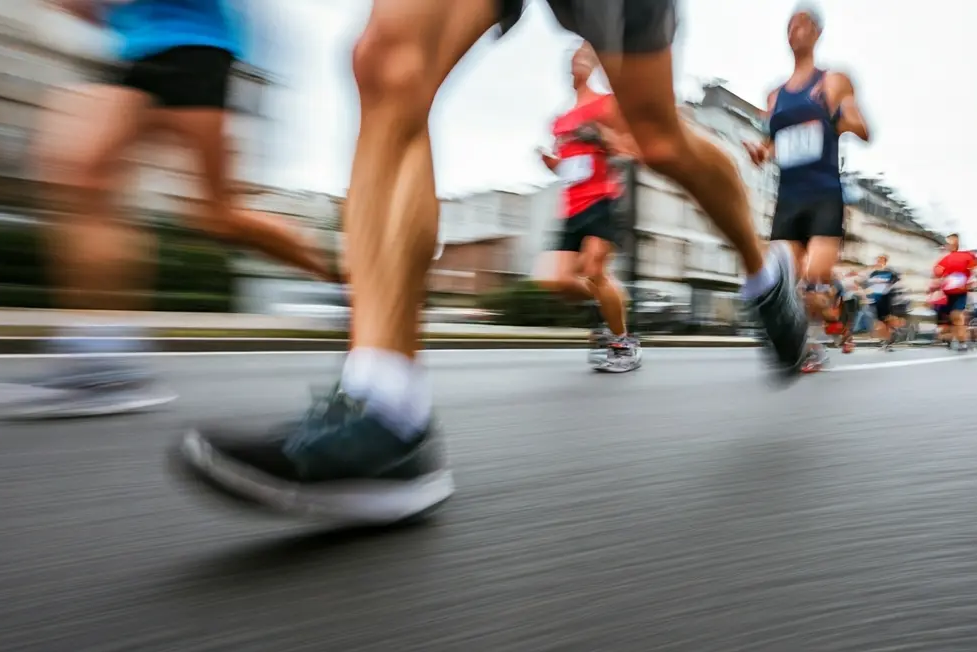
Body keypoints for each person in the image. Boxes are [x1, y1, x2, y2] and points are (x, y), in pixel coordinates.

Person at [170, 0, 811, 524]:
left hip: (604, 187)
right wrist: (560, 162)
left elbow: (628, 146)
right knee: (387, 62)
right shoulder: (565, 116)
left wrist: (605, 150)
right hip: (575, 203)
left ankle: (762, 269)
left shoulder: (595, 106)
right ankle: (385, 410)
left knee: (658, 134)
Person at [0, 0, 339, 419]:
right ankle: (102, 361)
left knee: (216, 215)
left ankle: (342, 276)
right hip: (137, 52)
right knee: (83, 176)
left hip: (191, 47)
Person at [743, 5, 870, 373]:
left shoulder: (833, 80)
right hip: (788, 199)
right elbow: (770, 144)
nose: (794, 29)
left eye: (803, 24)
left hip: (824, 195)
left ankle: (830, 319)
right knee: (781, 280)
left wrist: (843, 119)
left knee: (814, 282)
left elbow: (860, 125)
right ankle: (804, 342)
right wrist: (759, 151)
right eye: (790, 25)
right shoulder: (774, 96)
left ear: (817, 33)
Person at [535, 42, 641, 373]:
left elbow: (633, 149)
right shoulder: (559, 121)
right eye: (574, 59)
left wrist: (602, 138)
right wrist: (551, 163)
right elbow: (567, 165)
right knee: (557, 282)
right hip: (571, 207)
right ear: (569, 69)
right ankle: (610, 301)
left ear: (593, 66)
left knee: (595, 271)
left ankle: (623, 342)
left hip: (602, 200)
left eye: (584, 58)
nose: (578, 64)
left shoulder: (606, 105)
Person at [932, 233, 977, 352]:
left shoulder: (968, 255)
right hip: (946, 293)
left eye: (952, 241)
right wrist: (937, 279)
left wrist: (971, 282)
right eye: (948, 242)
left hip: (961, 291)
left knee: (956, 316)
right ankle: (957, 338)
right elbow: (938, 273)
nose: (950, 244)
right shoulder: (945, 258)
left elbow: (974, 270)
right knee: (947, 320)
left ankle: (963, 342)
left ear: (958, 242)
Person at [863, 253, 903, 351]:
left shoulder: (890, 272)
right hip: (874, 299)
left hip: (885, 298)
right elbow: (867, 285)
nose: (879, 261)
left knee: (884, 320)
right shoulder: (873, 273)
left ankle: (888, 339)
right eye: (878, 259)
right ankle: (892, 333)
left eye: (881, 260)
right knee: (881, 321)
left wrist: (890, 290)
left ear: (885, 261)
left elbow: (896, 283)